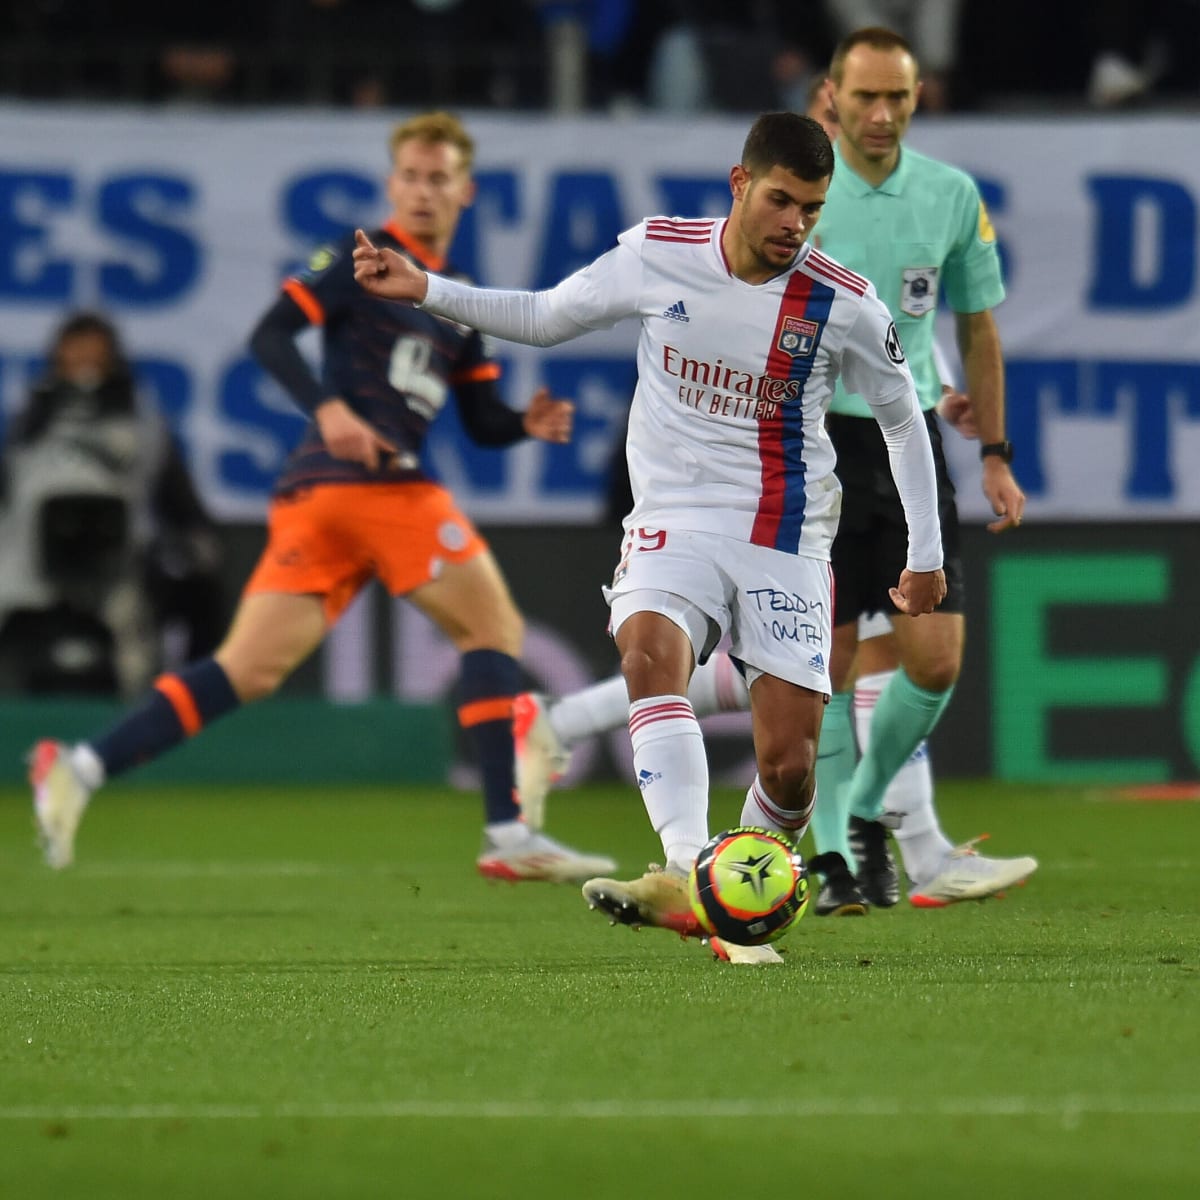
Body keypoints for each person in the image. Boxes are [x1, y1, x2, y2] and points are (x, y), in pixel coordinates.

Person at [353, 109, 947, 964]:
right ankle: (685, 870)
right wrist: (427, 289)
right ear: (741, 183)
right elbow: (545, 315)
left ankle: (741, 895)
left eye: (812, 209)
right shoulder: (659, 253)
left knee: (789, 767)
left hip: (785, 533)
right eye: (781, 201)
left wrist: (925, 555)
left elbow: (903, 419)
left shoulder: (843, 302)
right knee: (647, 650)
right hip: (675, 514)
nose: (795, 223)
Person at [27, 111, 616, 885]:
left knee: (247, 669)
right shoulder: (360, 256)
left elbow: (478, 420)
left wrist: (523, 424)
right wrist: (329, 408)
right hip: (372, 484)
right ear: (392, 184)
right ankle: (509, 831)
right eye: (411, 176)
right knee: (493, 628)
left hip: (322, 499)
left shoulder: (458, 299)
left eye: (438, 178)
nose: (423, 191)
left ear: (466, 191)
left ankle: (79, 767)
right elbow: (271, 336)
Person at [511, 54, 1032, 916]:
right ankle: (851, 851)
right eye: (864, 95)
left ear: (917, 100)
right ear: (831, 98)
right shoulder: (781, 187)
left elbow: (924, 326)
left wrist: (974, 424)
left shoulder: (944, 194)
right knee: (828, 661)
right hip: (789, 455)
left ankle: (862, 834)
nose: (882, 112)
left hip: (870, 442)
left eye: (897, 96)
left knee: (908, 659)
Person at [0, 311, 224, 696]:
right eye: (75, 350)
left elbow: (179, 501)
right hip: (27, 563)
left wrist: (196, 542)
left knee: (192, 586)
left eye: (94, 350)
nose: (84, 359)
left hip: (120, 561)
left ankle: (186, 700)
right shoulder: (31, 424)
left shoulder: (142, 422)